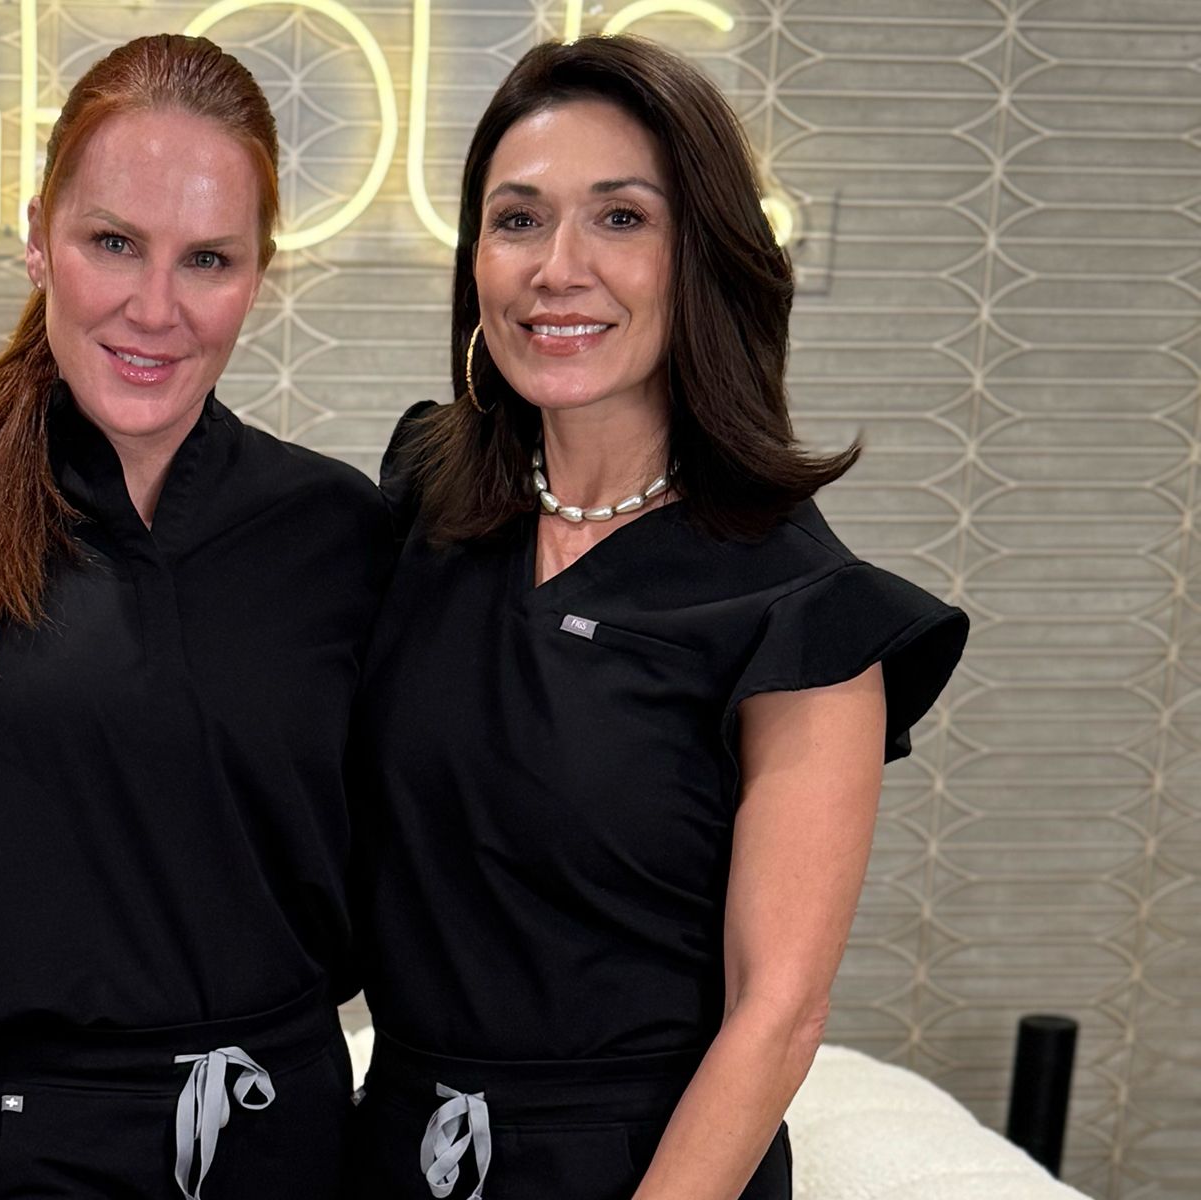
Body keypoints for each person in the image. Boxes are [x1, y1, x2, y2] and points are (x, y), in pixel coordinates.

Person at [349, 36, 968, 1200]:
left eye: (620, 218)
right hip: (395, 1143)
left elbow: (775, 1014)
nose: (558, 268)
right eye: (518, 219)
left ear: (702, 258)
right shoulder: (423, 498)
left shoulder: (800, 609)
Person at [0, 33, 390, 1200]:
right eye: (112, 243)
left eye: (207, 259)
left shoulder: (341, 533)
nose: (154, 308)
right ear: (37, 237)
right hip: (0, 1155)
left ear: (258, 274)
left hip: (283, 1142)